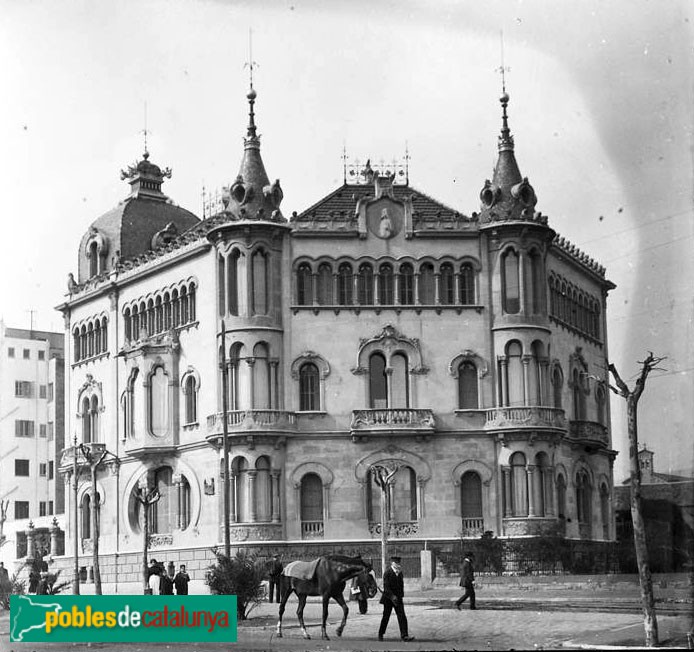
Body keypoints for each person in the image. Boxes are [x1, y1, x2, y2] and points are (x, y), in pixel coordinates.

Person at [378, 556, 414, 642]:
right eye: (396, 563)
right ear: (392, 563)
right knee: (386, 617)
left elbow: (401, 586)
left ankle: (404, 635)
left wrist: (400, 596)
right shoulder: (387, 572)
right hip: (388, 599)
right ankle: (380, 634)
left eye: (399, 563)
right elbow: (386, 587)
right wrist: (392, 596)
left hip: (398, 599)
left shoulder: (400, 573)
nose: (398, 565)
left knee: (402, 616)